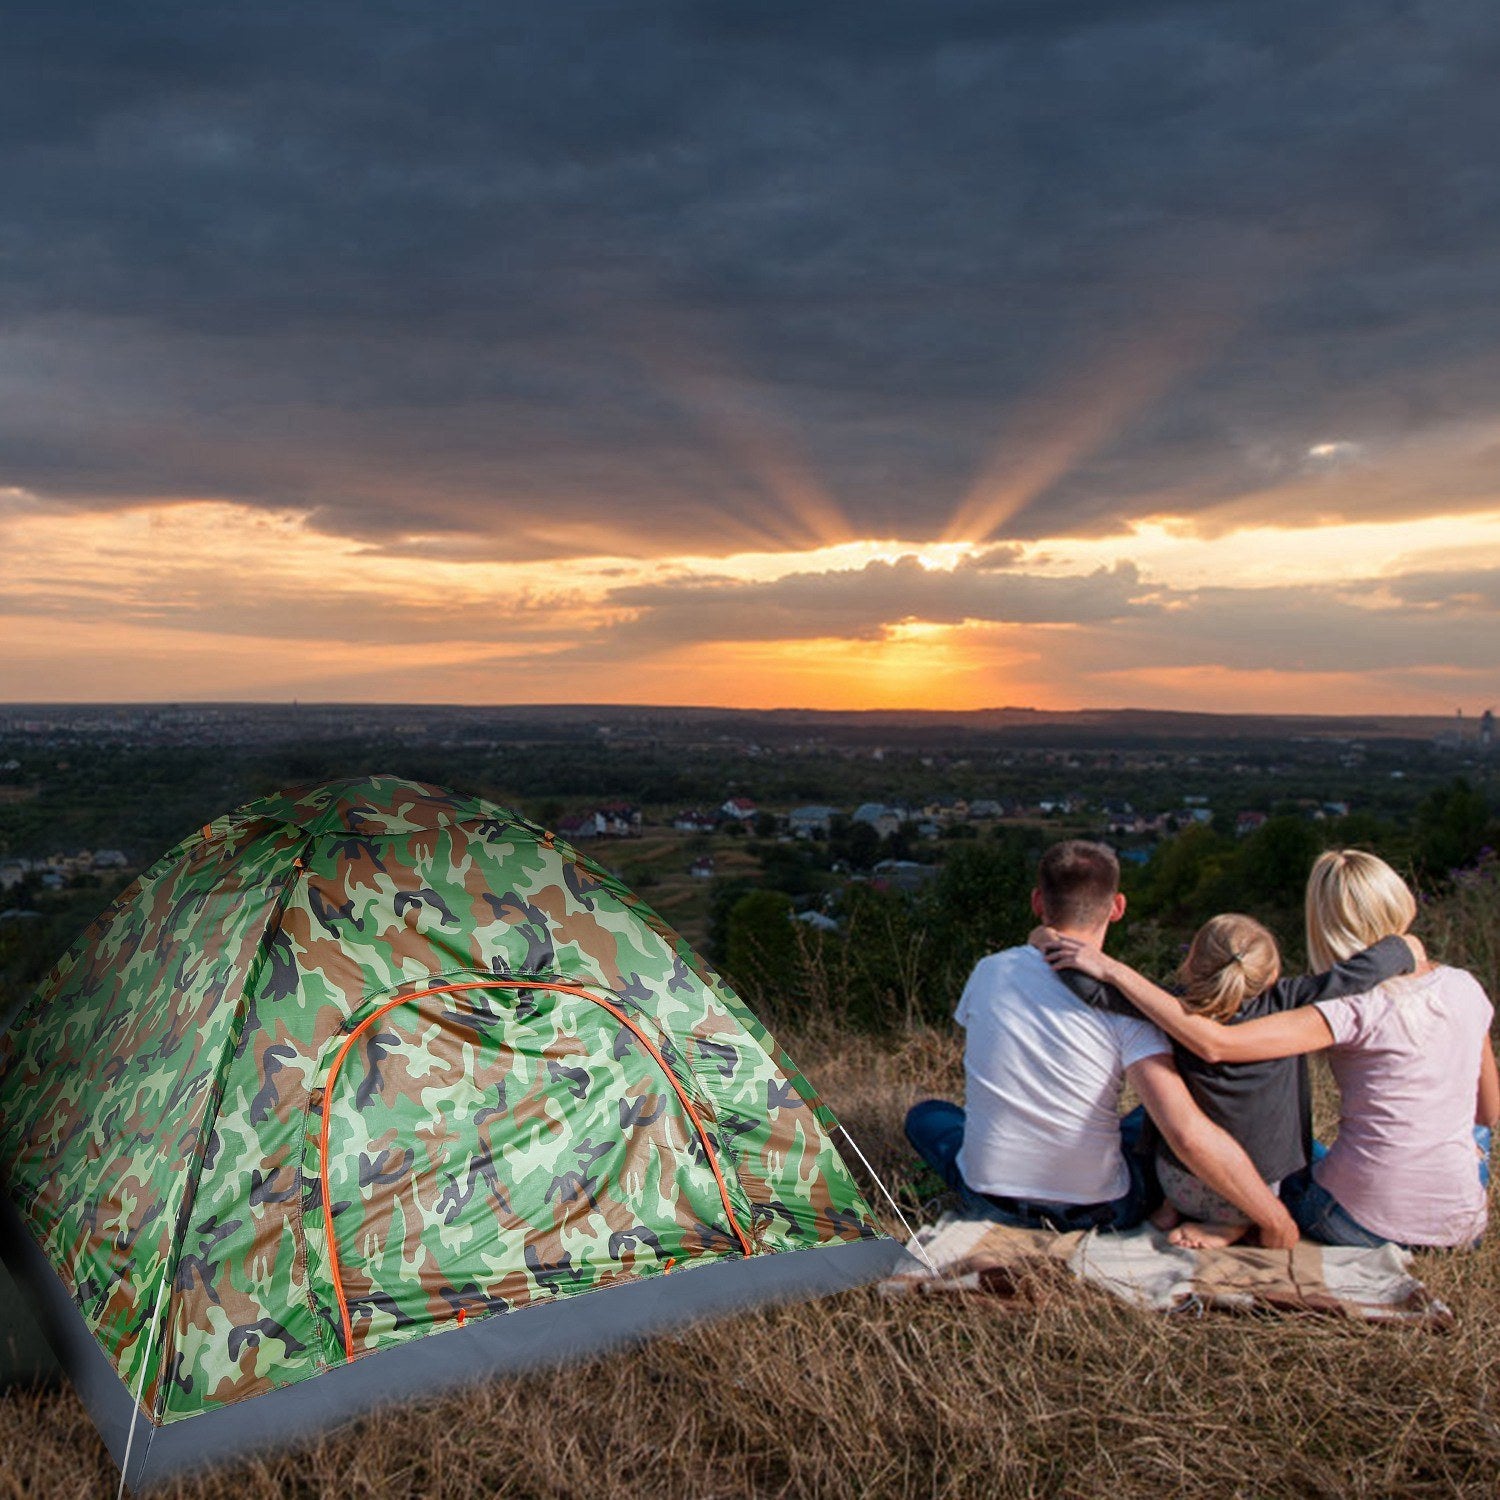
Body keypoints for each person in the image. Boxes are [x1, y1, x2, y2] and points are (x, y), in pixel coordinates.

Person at [1044, 849, 1500, 1251]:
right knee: (1471, 1135)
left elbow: (1211, 1041)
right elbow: (1488, 1114)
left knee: (1156, 1117)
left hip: (1349, 1218)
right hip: (1462, 1225)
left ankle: (1204, 1212)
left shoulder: (1345, 1012)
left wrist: (1063, 945)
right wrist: (1404, 946)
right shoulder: (1464, 986)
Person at [905, 839, 1297, 1245]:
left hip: (989, 1198)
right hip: (1100, 1209)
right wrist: (1275, 1219)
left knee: (927, 1116)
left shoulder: (989, 971)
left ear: (1038, 902)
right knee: (1155, 1116)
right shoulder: (1127, 1007)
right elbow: (1185, 1133)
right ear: (1118, 907)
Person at [1046, 911, 1417, 1248]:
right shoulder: (1288, 1001)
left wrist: (1045, 940)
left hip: (1178, 1183)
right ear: (1271, 975)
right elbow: (1356, 975)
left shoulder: (1170, 1006)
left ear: (1190, 963)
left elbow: (1093, 990)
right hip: (1257, 1190)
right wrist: (1403, 946)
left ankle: (1170, 1206)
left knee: (1154, 1106)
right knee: (1296, 1144)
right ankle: (1233, 1225)